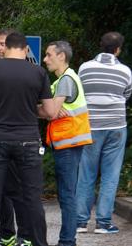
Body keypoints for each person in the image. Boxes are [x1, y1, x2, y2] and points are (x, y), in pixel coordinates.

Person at [0, 32, 56, 246]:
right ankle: (38, 242)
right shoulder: (38, 72)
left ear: (7, 47)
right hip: (28, 141)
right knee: (32, 198)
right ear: (26, 49)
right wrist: (28, 110)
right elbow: (49, 112)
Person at [76, 31, 132, 234]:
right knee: (110, 175)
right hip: (116, 127)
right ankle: (103, 223)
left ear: (101, 46)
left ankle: (80, 222)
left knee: (86, 173)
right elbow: (126, 95)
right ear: (118, 49)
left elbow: (79, 92)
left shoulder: (85, 68)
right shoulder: (125, 71)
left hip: (90, 126)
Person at [40, 41, 92, 246]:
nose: (45, 59)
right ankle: (68, 240)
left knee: (67, 195)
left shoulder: (65, 81)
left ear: (61, 56)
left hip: (68, 144)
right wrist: (48, 109)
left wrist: (47, 110)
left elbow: (49, 112)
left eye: (48, 55)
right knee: (67, 194)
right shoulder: (62, 80)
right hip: (67, 144)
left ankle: (67, 241)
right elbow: (48, 109)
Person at [0, 29, 29, 246]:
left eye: (3, 44)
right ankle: (7, 235)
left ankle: (24, 235)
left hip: (17, 140)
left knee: (18, 190)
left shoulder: (25, 71)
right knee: (0, 192)